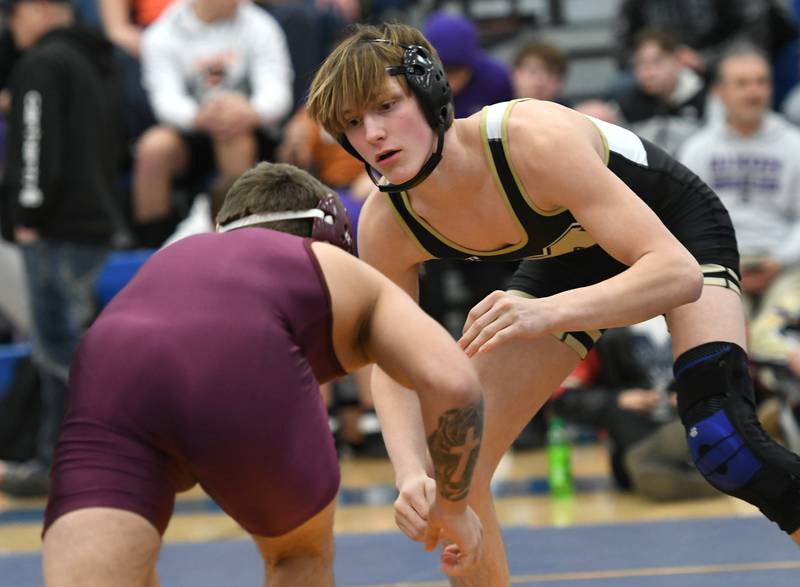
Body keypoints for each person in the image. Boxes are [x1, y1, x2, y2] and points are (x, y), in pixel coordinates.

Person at [306, 22, 800, 585]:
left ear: (430, 92)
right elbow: (390, 358)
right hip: (570, 250)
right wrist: (409, 471)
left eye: (386, 106)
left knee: (722, 441)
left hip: (669, 231)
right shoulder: (389, 222)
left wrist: (545, 312)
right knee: (455, 479)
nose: (372, 134)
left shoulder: (529, 139)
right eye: (351, 122)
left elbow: (676, 275)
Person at [41, 162, 485, 586]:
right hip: (243, 360)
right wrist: (454, 504)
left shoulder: (177, 257)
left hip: (109, 361)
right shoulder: (331, 264)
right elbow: (454, 381)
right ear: (329, 237)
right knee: (298, 555)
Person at [0, 0, 125, 496]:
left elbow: (33, 142)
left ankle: (65, 461)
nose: (12, 26)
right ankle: (91, 456)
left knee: (59, 349)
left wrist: (28, 210)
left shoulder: (42, 63)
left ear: (41, 9)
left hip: (54, 224)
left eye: (16, 14)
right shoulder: (96, 60)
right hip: (93, 219)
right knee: (70, 343)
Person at [132, 0, 293, 248]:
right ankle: (150, 249)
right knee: (153, 148)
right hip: (192, 130)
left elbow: (277, 93)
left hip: (247, 128)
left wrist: (249, 111)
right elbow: (165, 100)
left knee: (232, 136)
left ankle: (239, 241)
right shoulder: (162, 33)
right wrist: (198, 116)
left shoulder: (261, 25)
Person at [678, 46, 800, 317]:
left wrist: (780, 261)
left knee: (775, 338)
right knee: (718, 327)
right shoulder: (697, 150)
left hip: (788, 266)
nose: (753, 92)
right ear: (719, 92)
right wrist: (724, 262)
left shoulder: (795, 145)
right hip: (719, 265)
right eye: (742, 83)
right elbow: (688, 222)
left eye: (761, 82)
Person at [554, 320, 720, 501]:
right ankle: (661, 464)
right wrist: (617, 399)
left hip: (687, 422)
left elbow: (732, 376)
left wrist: (694, 394)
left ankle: (659, 465)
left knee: (701, 413)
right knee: (629, 425)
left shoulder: (699, 319)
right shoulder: (599, 332)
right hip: (633, 434)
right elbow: (564, 398)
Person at [614, 28, 708, 154]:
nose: (648, 73)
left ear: (678, 62)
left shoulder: (706, 98)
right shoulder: (628, 103)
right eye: (640, 63)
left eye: (657, 62)